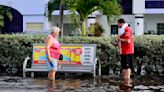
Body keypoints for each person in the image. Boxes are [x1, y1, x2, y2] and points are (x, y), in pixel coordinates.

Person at [117, 19, 134, 87]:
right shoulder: (122, 30)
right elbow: (121, 40)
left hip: (128, 51)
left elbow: (128, 40)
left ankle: (127, 81)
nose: (118, 25)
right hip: (123, 51)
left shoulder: (127, 29)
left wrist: (119, 39)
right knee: (123, 66)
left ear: (121, 23)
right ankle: (124, 79)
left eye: (118, 24)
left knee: (127, 67)